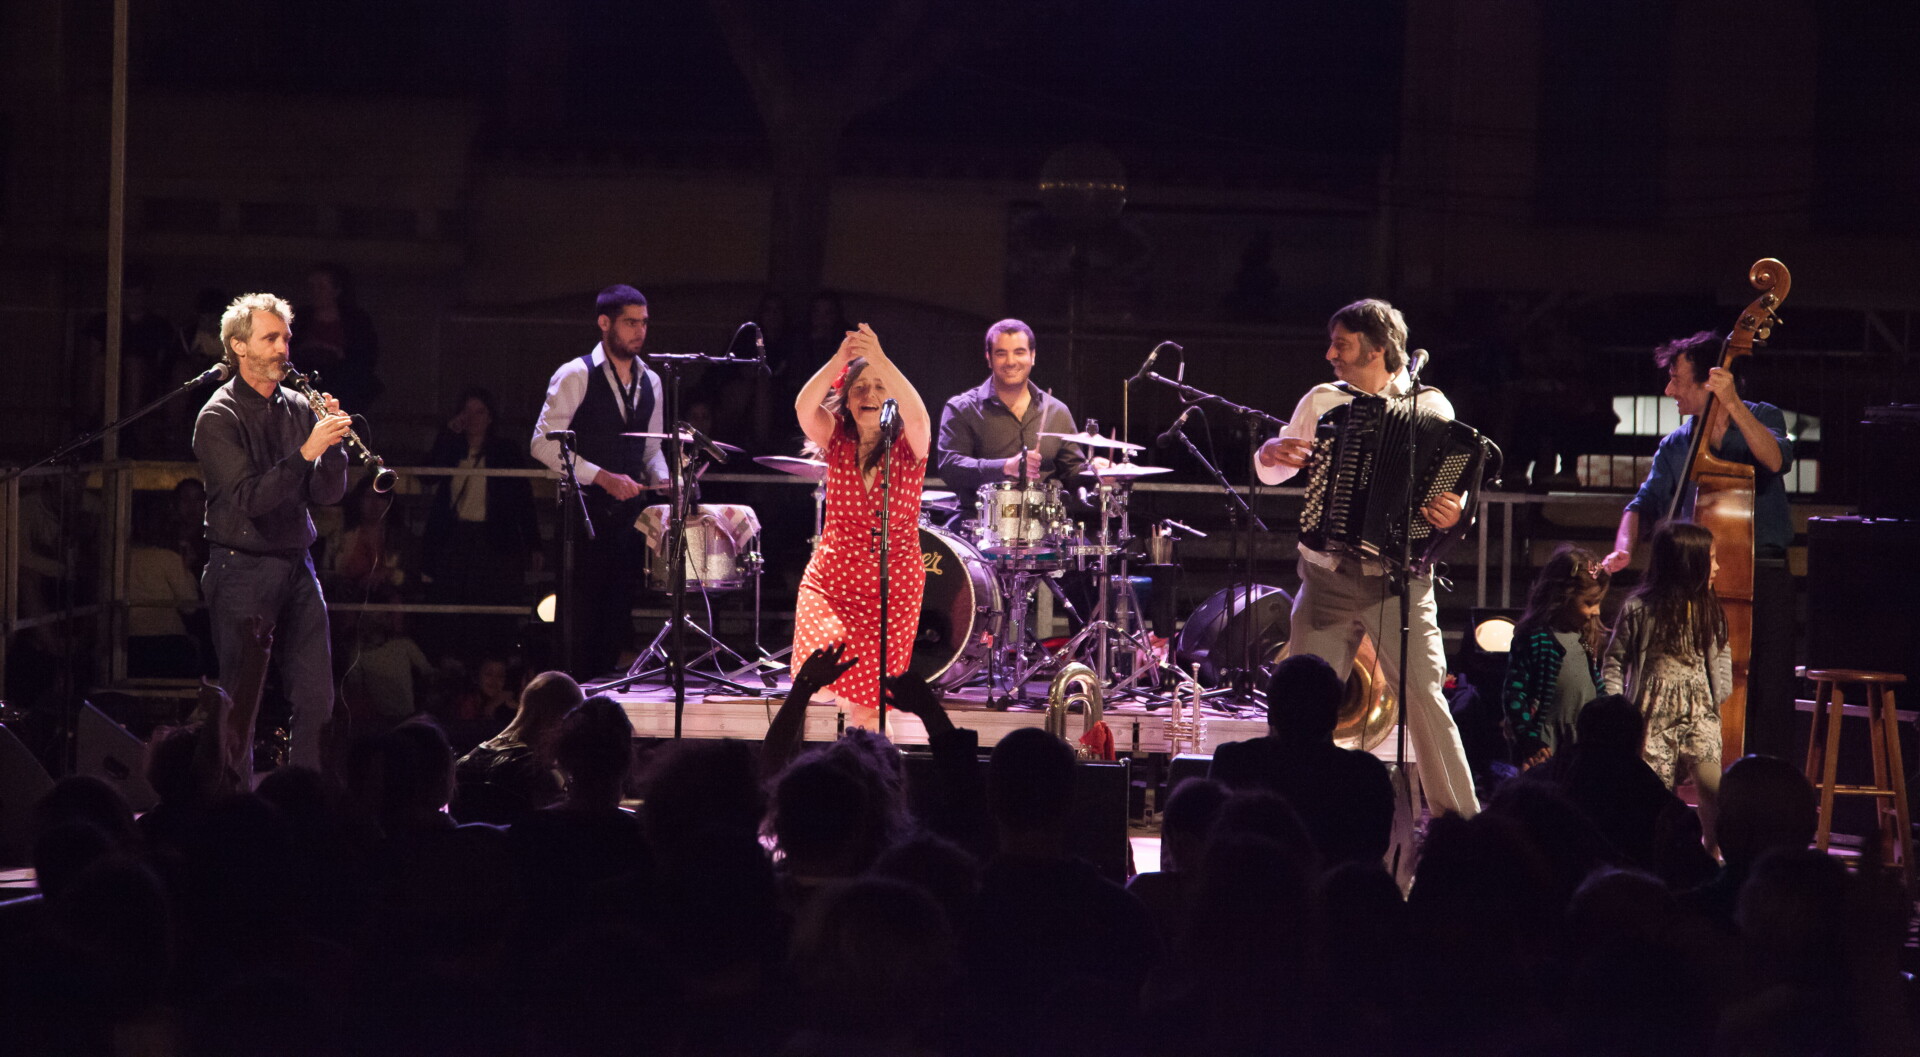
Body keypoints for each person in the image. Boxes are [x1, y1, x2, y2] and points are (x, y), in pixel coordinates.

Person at [1253, 298, 1479, 818]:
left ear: (1378, 349)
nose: (1330, 353)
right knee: (1297, 705)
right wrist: (1268, 455)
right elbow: (1278, 468)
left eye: (1342, 344)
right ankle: (1282, 816)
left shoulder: (1432, 407)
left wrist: (1453, 512)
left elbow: (1451, 484)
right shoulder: (1323, 400)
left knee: (1425, 701)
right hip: (1326, 577)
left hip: (1397, 583)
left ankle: (1463, 825)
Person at [1601, 330, 1795, 760]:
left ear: (1710, 380)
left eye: (1677, 379)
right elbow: (1643, 503)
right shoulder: (1676, 443)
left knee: (1771, 688)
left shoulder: (1763, 415)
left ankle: (1764, 786)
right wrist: (1625, 548)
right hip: (1699, 585)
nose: (1669, 390)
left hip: (1764, 573)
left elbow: (1776, 460)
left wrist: (1732, 404)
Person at [193, 292, 351, 771]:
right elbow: (250, 500)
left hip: (296, 564)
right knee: (240, 703)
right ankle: (232, 803)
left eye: (285, 337)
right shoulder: (217, 416)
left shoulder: (300, 406)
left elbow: (326, 496)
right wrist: (306, 453)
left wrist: (335, 450)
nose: (284, 348)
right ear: (239, 347)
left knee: (316, 696)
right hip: (241, 566)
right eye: (270, 338)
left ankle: (307, 797)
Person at [790, 324, 932, 728]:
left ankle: (867, 775)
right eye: (859, 388)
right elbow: (804, 408)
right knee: (815, 675)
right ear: (847, 400)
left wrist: (883, 361)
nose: (869, 395)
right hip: (833, 580)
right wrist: (839, 361)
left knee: (870, 704)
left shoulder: (909, 446)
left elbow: (919, 416)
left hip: (893, 585)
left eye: (879, 387)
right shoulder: (837, 439)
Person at [529, 284, 671, 678]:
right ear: (604, 323)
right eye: (630, 323)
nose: (639, 331)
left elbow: (650, 450)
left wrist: (662, 480)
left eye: (643, 322)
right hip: (582, 516)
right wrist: (602, 478)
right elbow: (541, 444)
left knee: (616, 621)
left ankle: (605, 707)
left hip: (627, 520)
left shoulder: (653, 381)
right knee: (579, 623)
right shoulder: (576, 374)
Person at [1602, 521, 1732, 842]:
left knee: (1712, 786)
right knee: (1655, 795)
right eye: (1711, 559)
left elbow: (1723, 652)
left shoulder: (1708, 609)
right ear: (1689, 566)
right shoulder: (1638, 610)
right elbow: (1615, 660)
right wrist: (1616, 703)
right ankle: (1654, 856)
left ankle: (1711, 855)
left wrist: (1722, 690)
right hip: (1653, 713)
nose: (1717, 567)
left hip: (1699, 710)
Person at [934, 318, 1089, 517]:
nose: (1010, 362)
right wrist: (1005, 467)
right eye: (1001, 353)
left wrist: (1098, 474)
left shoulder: (1057, 411)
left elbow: (1073, 473)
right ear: (989, 358)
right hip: (979, 527)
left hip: (1044, 529)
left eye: (1019, 352)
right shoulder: (962, 408)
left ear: (1032, 356)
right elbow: (950, 467)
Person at [423, 386, 539, 608]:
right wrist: (447, 434)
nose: (472, 418)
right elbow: (428, 476)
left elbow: (523, 499)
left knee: (489, 600)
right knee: (453, 600)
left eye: (479, 412)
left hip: (492, 537)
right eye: (467, 411)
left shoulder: (506, 451)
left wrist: (534, 543)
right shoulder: (452, 448)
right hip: (457, 535)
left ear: (490, 417)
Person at [1503, 544, 1611, 768]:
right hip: (1546, 742)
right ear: (1562, 597)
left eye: (1598, 602)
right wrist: (1528, 739)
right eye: (1589, 603)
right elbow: (1514, 693)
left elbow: (1593, 682)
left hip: (1581, 738)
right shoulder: (1533, 637)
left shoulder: (1585, 635)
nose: (1596, 612)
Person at [290, 262, 382, 414]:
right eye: (312, 287)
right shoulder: (300, 318)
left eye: (321, 287)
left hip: (345, 388)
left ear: (337, 290)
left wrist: (334, 353)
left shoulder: (356, 320)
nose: (315, 292)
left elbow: (366, 359)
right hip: (306, 388)